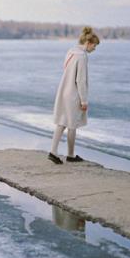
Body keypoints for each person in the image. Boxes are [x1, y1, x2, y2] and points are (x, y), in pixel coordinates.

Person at [49, 26, 100, 164]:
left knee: (63, 122)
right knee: (71, 124)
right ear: (88, 43)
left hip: (64, 90)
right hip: (73, 94)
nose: (94, 49)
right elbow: (81, 81)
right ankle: (67, 155)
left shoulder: (70, 52)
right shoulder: (82, 56)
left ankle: (56, 152)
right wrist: (84, 100)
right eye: (94, 46)